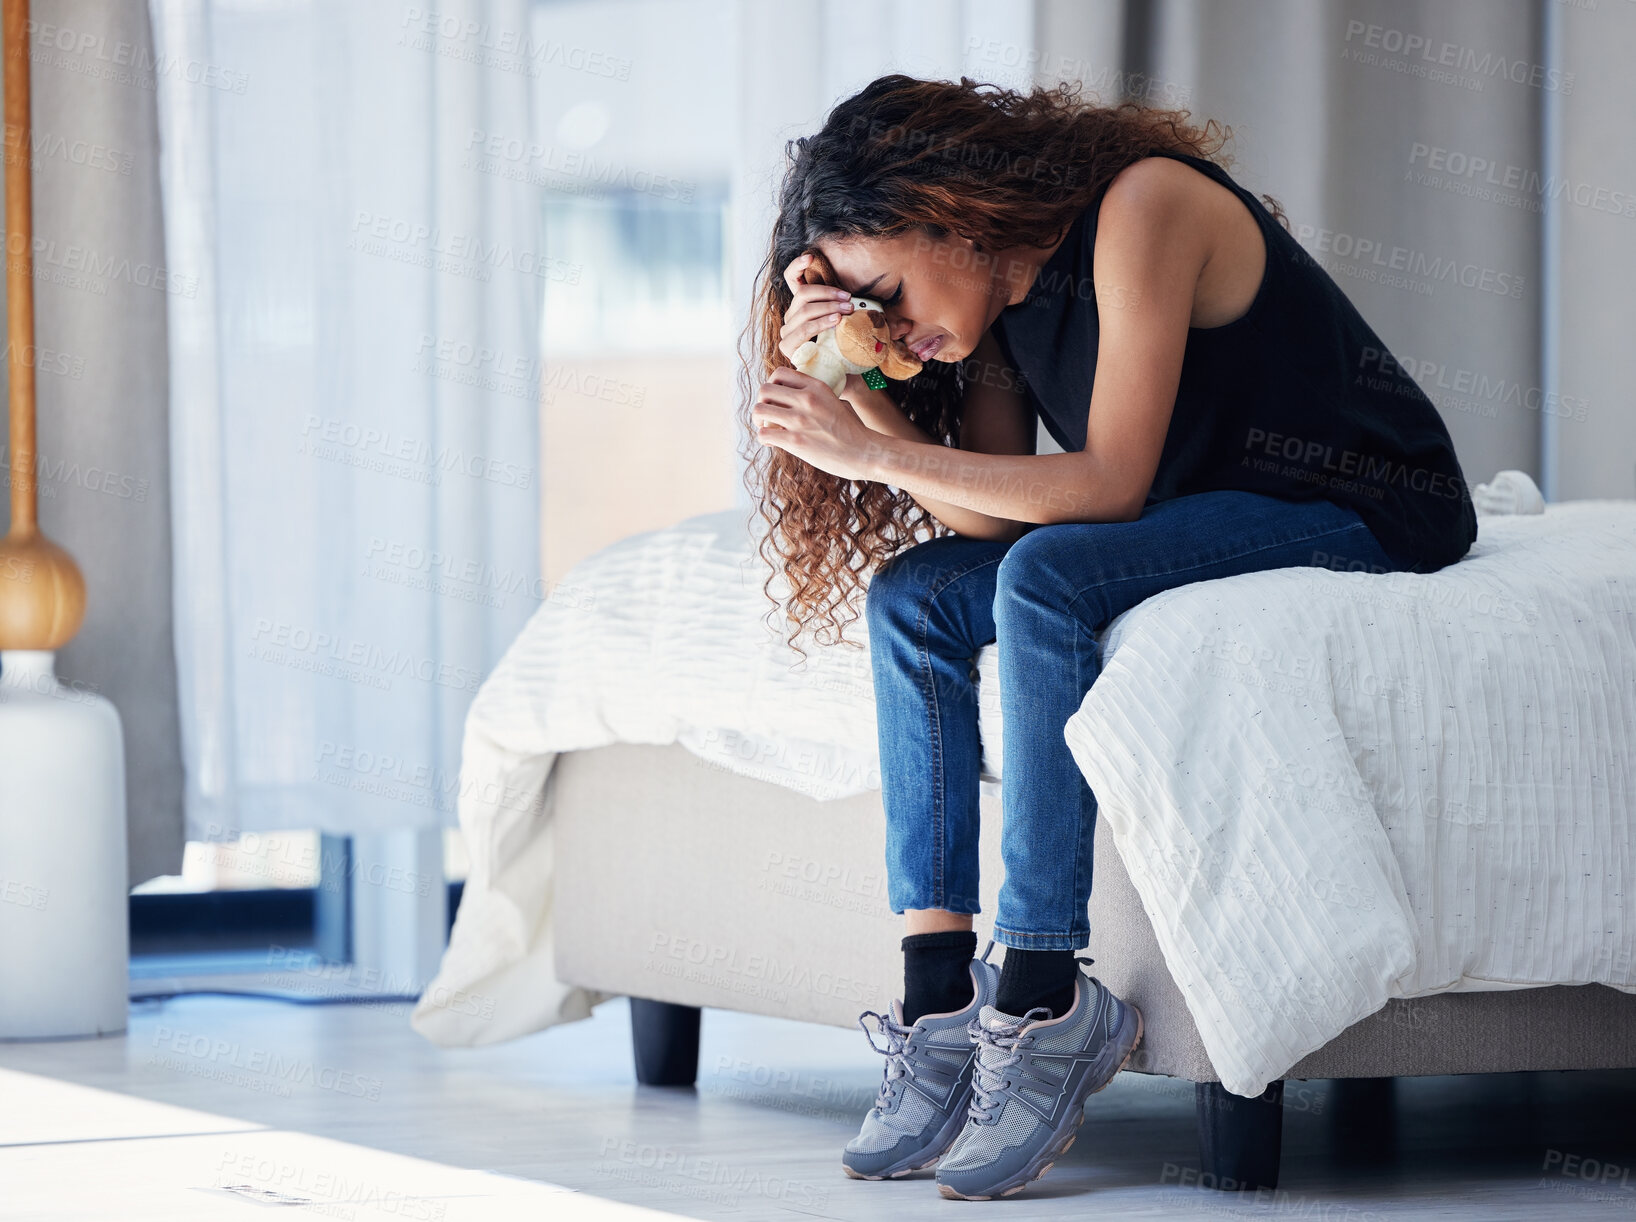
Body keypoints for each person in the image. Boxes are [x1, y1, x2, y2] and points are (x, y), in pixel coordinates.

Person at [739, 74, 1477, 1201]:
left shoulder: (1144, 206)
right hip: (1190, 511)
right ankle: (941, 1000)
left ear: (949, 208)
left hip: (1359, 501)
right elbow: (992, 508)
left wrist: (875, 451)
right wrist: (860, 387)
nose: (889, 328)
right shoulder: (977, 311)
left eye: (884, 289)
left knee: (1044, 579)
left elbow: (1105, 484)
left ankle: (1041, 992)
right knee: (915, 596)